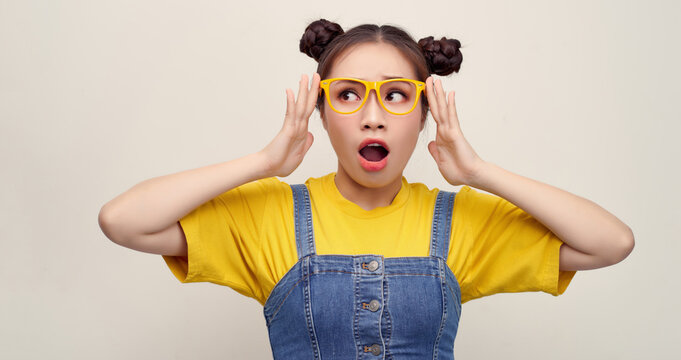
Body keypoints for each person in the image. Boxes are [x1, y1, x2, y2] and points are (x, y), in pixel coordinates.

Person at [98, 18, 634, 359]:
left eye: (397, 96)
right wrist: (262, 163)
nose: (373, 118)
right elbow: (123, 220)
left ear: (425, 115)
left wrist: (480, 173)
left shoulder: (463, 222)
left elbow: (610, 243)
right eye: (349, 95)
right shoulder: (269, 215)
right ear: (322, 113)